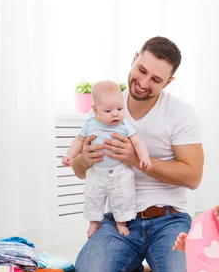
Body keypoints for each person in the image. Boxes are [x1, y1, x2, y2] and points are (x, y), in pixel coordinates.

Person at [71, 37, 204, 272]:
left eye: (156, 79)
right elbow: (79, 170)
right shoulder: (104, 107)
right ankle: (135, 264)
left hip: (168, 218)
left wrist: (135, 158)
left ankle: (158, 260)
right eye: (142, 70)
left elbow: (193, 177)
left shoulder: (180, 113)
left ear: (168, 83)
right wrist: (84, 158)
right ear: (134, 59)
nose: (144, 83)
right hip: (121, 218)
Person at [62, 80, 152, 238]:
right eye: (108, 110)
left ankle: (121, 222)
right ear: (95, 110)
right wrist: (70, 155)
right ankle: (94, 221)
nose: (115, 113)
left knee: (122, 197)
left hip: (119, 171)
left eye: (119, 108)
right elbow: (79, 141)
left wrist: (144, 158)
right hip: (96, 171)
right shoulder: (90, 123)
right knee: (93, 196)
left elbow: (137, 141)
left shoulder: (124, 125)